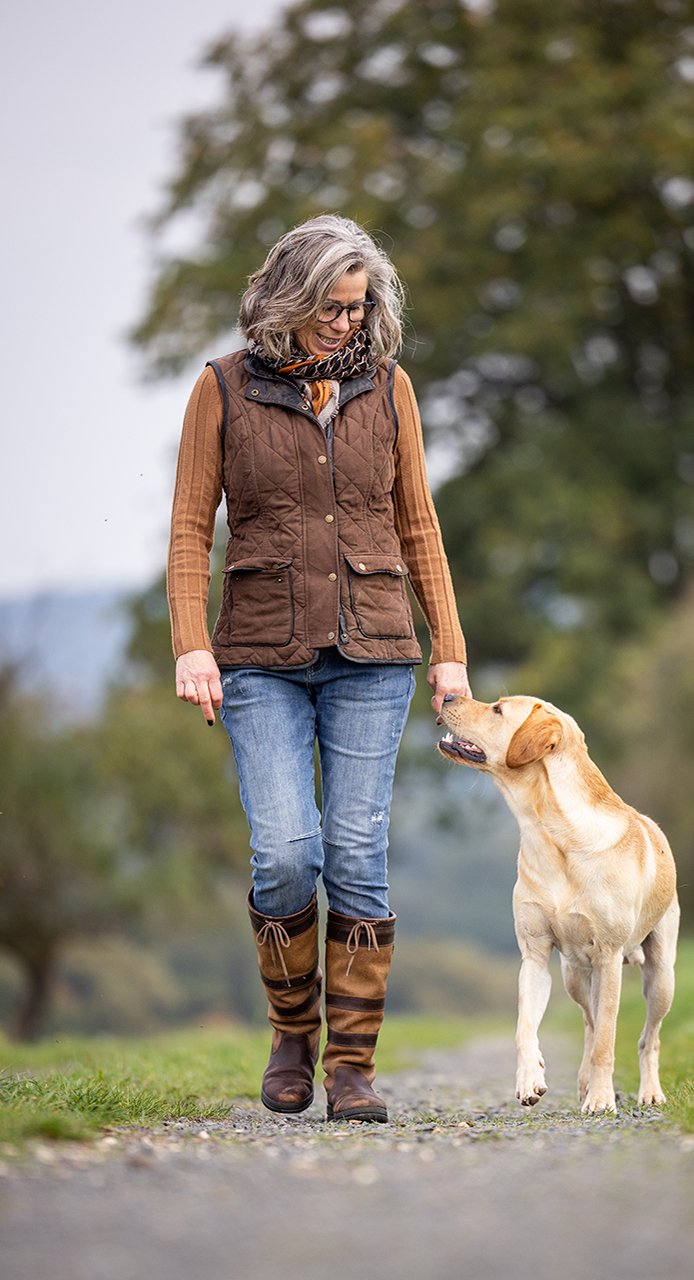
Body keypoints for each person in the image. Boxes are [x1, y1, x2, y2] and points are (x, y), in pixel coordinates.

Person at [167, 214, 470, 1123]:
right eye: (331, 307)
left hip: (373, 652)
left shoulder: (389, 386)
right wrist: (190, 640)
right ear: (289, 300)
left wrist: (450, 652)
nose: (346, 323)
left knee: (357, 854)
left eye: (358, 306)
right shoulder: (222, 388)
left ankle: (351, 1067)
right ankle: (292, 1030)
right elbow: (189, 527)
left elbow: (418, 525)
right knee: (286, 855)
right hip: (258, 654)